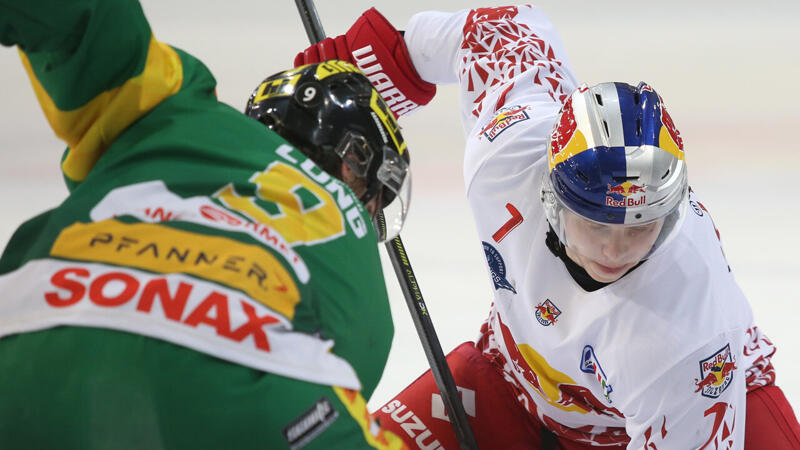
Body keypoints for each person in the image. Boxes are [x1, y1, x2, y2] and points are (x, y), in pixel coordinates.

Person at [294, 5, 800, 449]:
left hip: (693, 414)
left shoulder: (684, 332)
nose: (615, 249)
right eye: (596, 224)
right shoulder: (510, 149)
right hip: (512, 383)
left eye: (641, 227)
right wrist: (362, 76)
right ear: (553, 198)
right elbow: (498, 32)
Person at [0, 1, 410, 449]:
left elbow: (84, 17)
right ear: (354, 163)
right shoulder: (351, 244)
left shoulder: (181, 116)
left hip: (28, 332)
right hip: (231, 387)